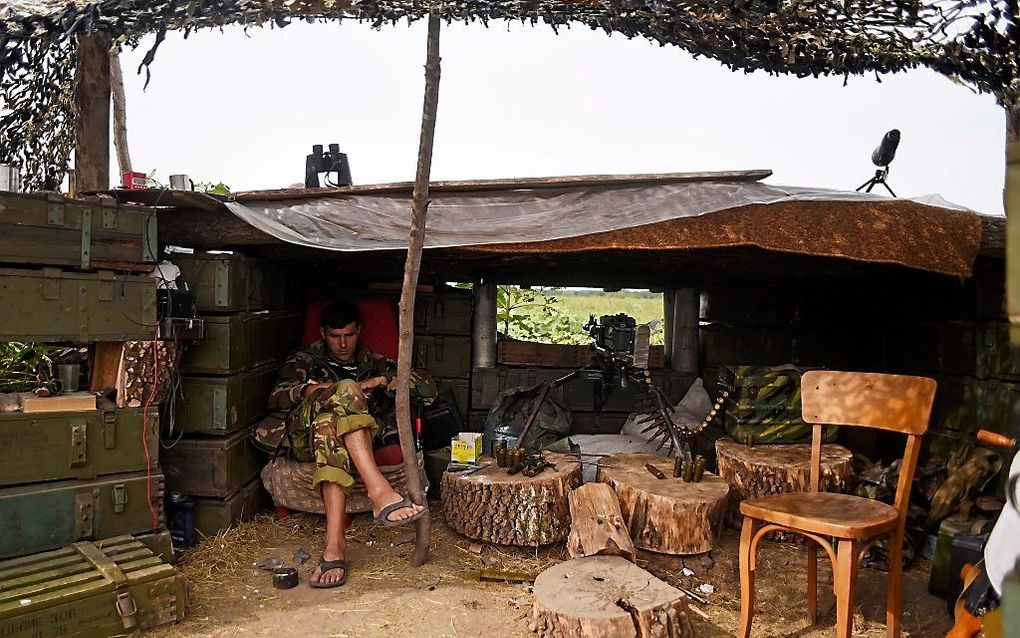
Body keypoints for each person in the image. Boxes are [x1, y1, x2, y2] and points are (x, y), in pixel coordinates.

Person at [255, 299, 436, 588]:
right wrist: (310, 389)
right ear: (323, 333)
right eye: (335, 336)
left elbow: (427, 386)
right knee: (343, 397)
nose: (342, 344)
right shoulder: (305, 360)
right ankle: (379, 490)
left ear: (359, 331)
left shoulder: (373, 362)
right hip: (305, 434)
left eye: (349, 335)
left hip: (345, 436)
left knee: (331, 425)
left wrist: (379, 381)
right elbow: (275, 397)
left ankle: (334, 547)